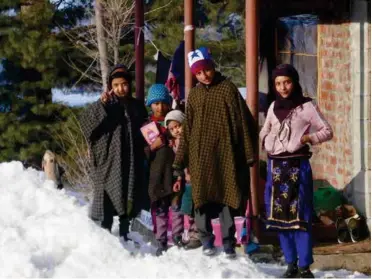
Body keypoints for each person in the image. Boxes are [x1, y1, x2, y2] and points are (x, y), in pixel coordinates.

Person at [173, 47, 256, 258]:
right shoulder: (195, 95)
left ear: (212, 66)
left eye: (206, 70)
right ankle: (206, 239)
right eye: (198, 73)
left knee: (226, 198)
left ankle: (228, 242)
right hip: (200, 158)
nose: (204, 75)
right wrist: (180, 160)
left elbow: (244, 122)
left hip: (226, 155)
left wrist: (248, 152)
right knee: (201, 199)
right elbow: (188, 129)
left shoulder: (228, 89)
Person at [260, 64, 333, 278]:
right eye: (278, 83)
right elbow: (265, 129)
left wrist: (308, 138)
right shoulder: (273, 106)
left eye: (287, 82)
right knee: (280, 218)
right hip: (275, 168)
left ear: (294, 82)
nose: (283, 87)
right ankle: (290, 264)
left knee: (301, 218)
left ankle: (304, 266)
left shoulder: (306, 106)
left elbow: (327, 130)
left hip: (297, 168)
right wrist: (268, 141)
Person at [80, 64, 148, 241]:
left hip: (131, 159)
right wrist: (101, 105)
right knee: (107, 197)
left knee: (128, 195)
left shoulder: (137, 106)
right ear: (111, 86)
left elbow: (145, 130)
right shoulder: (105, 104)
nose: (120, 88)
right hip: (109, 161)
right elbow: (87, 127)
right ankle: (106, 234)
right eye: (116, 85)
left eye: (124, 84)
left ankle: (126, 233)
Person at [144, 84, 184, 256]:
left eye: (163, 102)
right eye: (156, 103)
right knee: (159, 208)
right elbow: (142, 155)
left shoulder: (175, 124)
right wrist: (154, 146)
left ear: (168, 102)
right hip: (156, 175)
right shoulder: (147, 126)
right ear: (150, 104)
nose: (159, 107)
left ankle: (177, 237)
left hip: (175, 172)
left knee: (176, 206)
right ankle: (160, 239)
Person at [165, 110, 202, 250]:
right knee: (186, 208)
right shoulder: (174, 143)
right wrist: (179, 178)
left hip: (195, 179)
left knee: (195, 208)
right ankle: (183, 234)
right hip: (185, 180)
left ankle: (196, 235)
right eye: (172, 129)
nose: (176, 130)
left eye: (178, 126)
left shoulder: (191, 139)